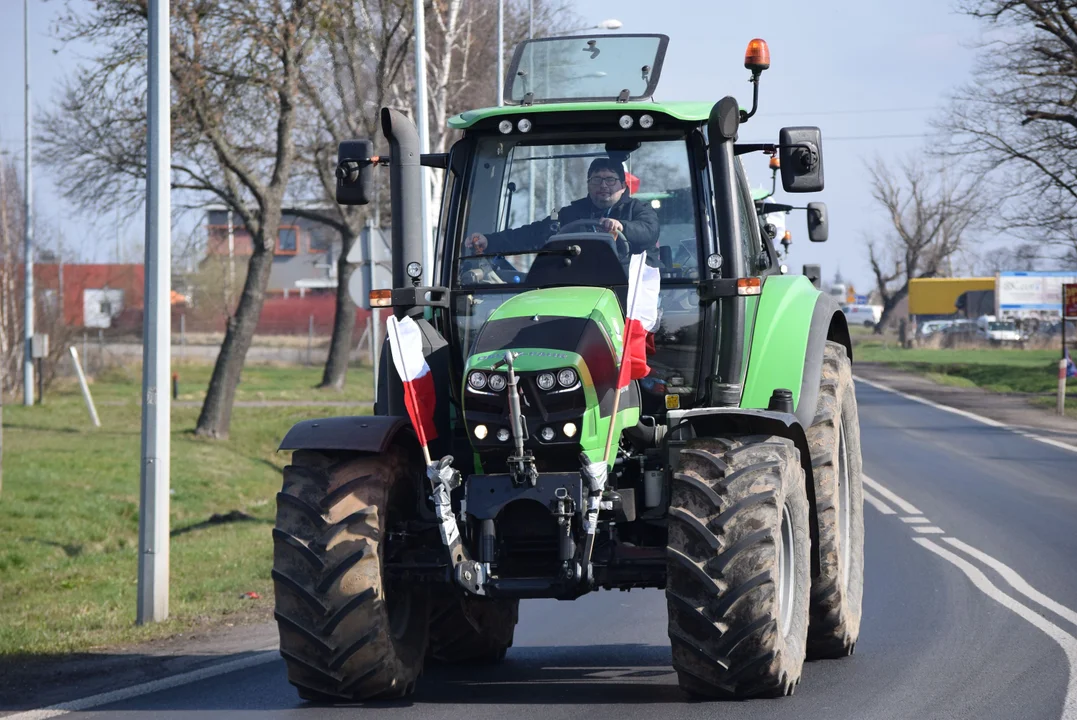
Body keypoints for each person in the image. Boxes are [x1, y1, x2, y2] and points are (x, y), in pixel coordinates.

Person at [465, 157, 660, 260]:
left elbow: (649, 232)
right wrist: (489, 241)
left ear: (623, 186)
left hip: (629, 290)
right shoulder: (572, 214)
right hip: (580, 286)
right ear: (588, 184)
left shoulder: (637, 210)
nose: (603, 185)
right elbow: (533, 234)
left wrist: (622, 227)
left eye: (610, 179)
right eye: (596, 180)